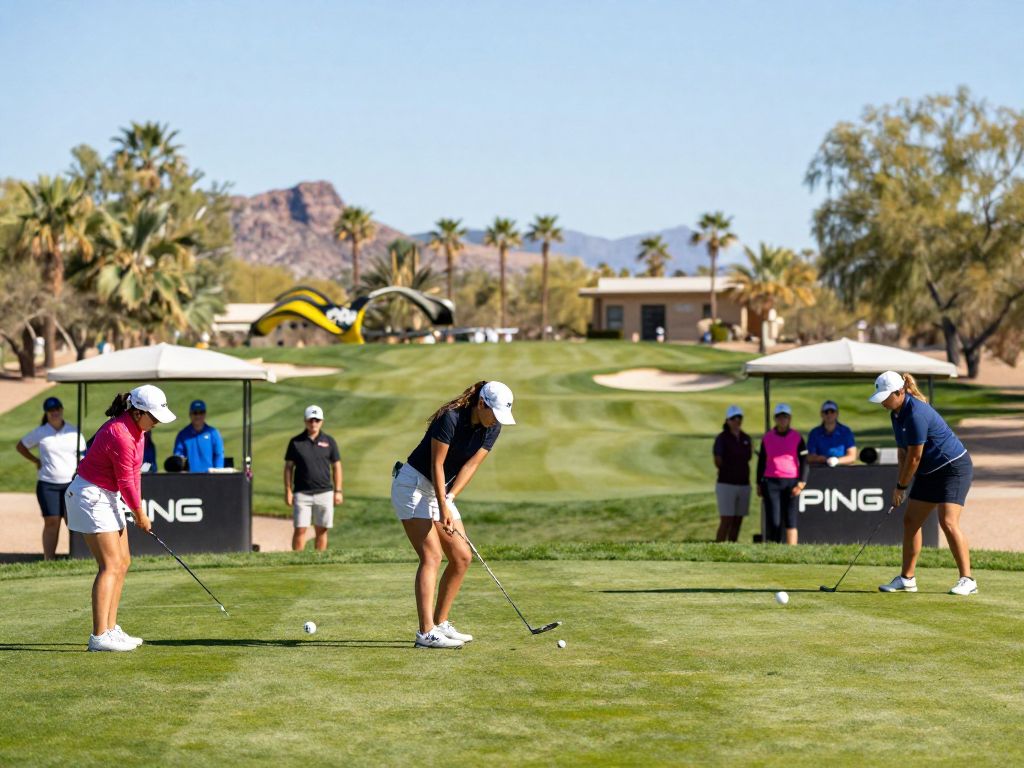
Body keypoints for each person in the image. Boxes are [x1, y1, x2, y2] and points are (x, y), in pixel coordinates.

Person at [390, 380, 515, 649]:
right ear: (481, 404)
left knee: (461, 557)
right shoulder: (450, 418)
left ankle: (440, 623)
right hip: (412, 485)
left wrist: (450, 498)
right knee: (432, 555)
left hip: (441, 491)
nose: (496, 421)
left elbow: (470, 466)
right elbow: (437, 464)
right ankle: (425, 633)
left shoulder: (493, 428)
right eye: (494, 413)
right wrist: (442, 506)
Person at [65, 385, 176, 651]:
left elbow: (133, 476)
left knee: (123, 562)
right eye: (154, 415)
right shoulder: (120, 434)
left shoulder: (138, 432)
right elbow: (126, 481)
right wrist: (139, 514)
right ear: (137, 412)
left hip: (107, 496)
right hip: (90, 496)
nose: (158, 421)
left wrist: (139, 511)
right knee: (110, 565)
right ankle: (99, 636)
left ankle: (111, 629)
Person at [869, 371, 977, 596]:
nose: (883, 402)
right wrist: (900, 483)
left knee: (947, 521)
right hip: (929, 471)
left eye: (886, 396)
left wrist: (901, 487)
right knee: (910, 521)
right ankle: (907, 579)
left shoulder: (916, 413)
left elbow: (915, 457)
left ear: (900, 392)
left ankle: (968, 579)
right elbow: (903, 453)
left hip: (953, 468)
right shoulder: (895, 413)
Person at [15, 396, 87, 560]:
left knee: (73, 521)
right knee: (52, 521)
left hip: (71, 484)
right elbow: (21, 446)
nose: (54, 412)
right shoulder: (41, 432)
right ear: (46, 413)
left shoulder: (73, 431)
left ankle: (77, 556)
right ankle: (49, 558)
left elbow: (83, 454)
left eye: (57, 409)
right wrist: (35, 460)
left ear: (61, 410)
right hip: (48, 484)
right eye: (51, 410)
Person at [284, 405, 343, 551]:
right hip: (302, 493)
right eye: (311, 420)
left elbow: (337, 467)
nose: (314, 423)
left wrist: (338, 491)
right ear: (305, 421)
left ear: (322, 421)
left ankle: (319, 561)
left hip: (325, 492)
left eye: (317, 420)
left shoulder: (329, 441)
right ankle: (297, 561)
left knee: (322, 529)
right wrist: (288, 490)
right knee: (300, 529)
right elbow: (288, 468)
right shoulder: (296, 442)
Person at [756, 403, 809, 545]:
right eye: (779, 417)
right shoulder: (767, 437)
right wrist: (758, 483)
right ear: (775, 419)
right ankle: (774, 549)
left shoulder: (797, 437)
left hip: (791, 482)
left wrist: (802, 481)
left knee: (791, 520)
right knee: (774, 520)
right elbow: (761, 461)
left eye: (785, 417)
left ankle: (791, 553)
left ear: (790, 418)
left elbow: (804, 460)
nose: (782, 420)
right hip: (771, 482)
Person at [712, 405, 752, 542]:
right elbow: (718, 460)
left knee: (738, 519)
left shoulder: (746, 438)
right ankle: (718, 547)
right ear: (727, 421)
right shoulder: (722, 438)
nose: (737, 421)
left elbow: (749, 457)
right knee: (726, 519)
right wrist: (730, 467)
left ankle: (732, 546)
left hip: (743, 483)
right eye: (733, 418)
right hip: (726, 483)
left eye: (739, 417)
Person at [172, 399, 225, 472]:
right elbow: (178, 456)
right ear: (190, 414)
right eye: (195, 413)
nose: (198, 416)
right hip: (189, 478)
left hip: (210, 476)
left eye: (201, 412)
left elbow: (218, 455)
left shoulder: (213, 433)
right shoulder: (182, 435)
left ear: (205, 414)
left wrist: (218, 473)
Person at [806, 400, 857, 467]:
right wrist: (825, 460)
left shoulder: (846, 432)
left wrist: (837, 461)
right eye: (826, 412)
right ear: (821, 414)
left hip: (842, 469)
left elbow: (852, 457)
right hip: (820, 470)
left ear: (837, 414)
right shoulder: (815, 433)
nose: (829, 415)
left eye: (832, 412)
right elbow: (810, 457)